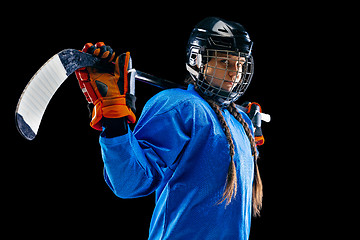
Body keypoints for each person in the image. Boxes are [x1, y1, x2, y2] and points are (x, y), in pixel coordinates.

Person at [75, 17, 263, 240]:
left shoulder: (239, 119)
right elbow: (130, 182)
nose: (235, 72)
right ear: (198, 61)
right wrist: (114, 121)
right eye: (224, 62)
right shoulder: (181, 107)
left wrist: (250, 135)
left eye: (240, 64)